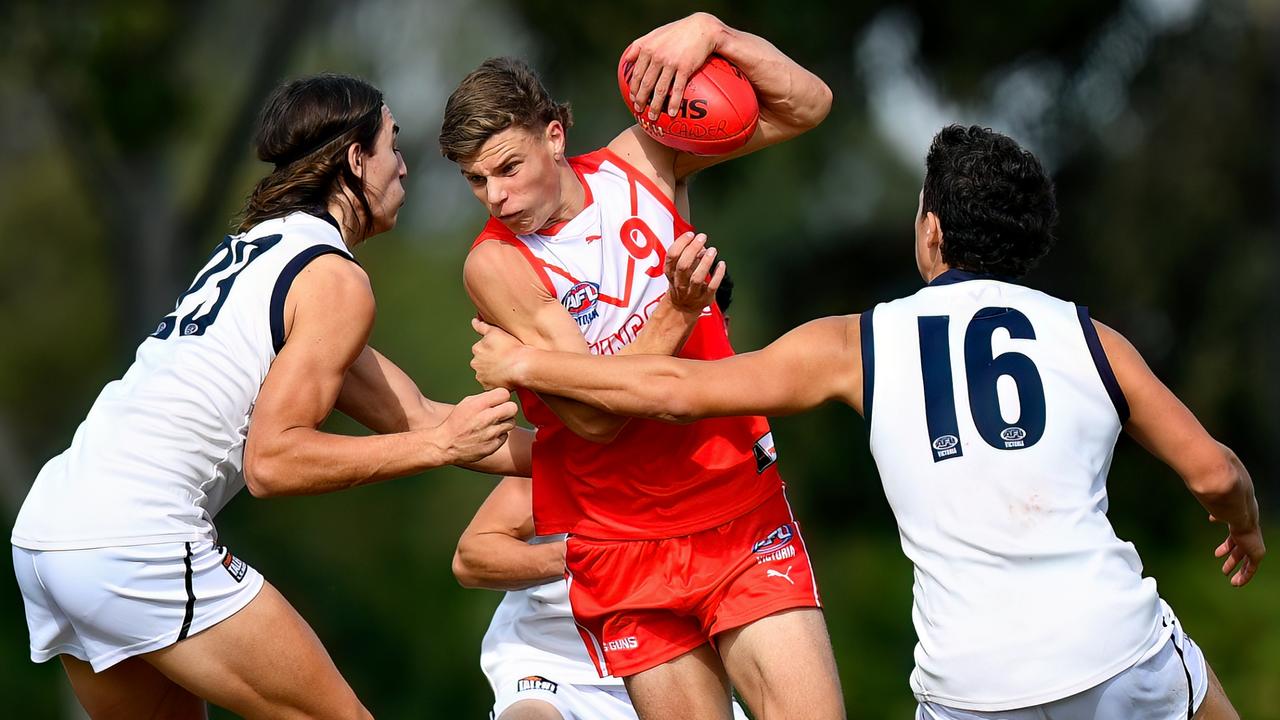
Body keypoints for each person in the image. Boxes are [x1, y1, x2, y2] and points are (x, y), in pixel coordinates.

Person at [471, 124, 1265, 720]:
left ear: (931, 232)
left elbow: (673, 391)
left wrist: (528, 366)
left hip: (970, 685)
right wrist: (1244, 525)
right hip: (1112, 646)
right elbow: (1215, 473)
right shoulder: (1092, 338)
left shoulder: (858, 342)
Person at [11, 73, 527, 719]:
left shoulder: (265, 251)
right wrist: (432, 447)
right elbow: (273, 463)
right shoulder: (332, 279)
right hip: (135, 539)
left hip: (47, 536)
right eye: (393, 144)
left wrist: (598, 454)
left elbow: (424, 416)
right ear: (354, 157)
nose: (404, 166)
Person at [439, 12, 842, 719]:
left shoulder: (644, 162)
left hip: (735, 507)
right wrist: (676, 314)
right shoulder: (495, 264)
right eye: (477, 181)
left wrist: (713, 33)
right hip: (621, 545)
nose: (497, 198)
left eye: (508, 167)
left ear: (555, 136)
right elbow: (595, 419)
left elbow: (807, 106)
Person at [455, 278, 745, 720]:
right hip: (551, 662)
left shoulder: (730, 442)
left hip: (675, 656)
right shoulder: (588, 441)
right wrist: (587, 557)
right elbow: (473, 557)